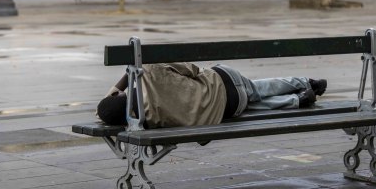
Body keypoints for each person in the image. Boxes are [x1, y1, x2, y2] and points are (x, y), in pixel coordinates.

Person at [97, 63, 327, 129]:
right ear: (120, 96)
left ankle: (297, 100)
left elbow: (114, 111)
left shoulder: (148, 122)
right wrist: (118, 87)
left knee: (245, 105)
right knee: (257, 89)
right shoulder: (148, 73)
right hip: (224, 80)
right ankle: (306, 82)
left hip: (226, 111)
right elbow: (193, 69)